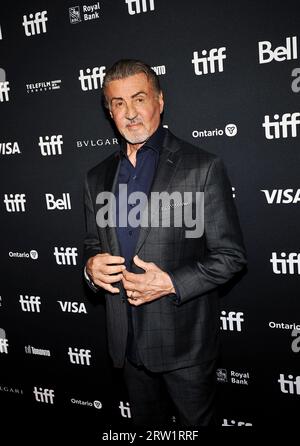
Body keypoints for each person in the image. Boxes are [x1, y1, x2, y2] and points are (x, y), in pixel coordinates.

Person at [83, 59, 247, 427]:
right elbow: (92, 243)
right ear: (109, 111)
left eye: (138, 99)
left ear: (160, 100)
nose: (130, 113)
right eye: (118, 103)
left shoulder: (201, 167)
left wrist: (171, 282)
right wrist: (91, 267)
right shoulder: (96, 178)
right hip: (125, 345)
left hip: (184, 344)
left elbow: (231, 256)